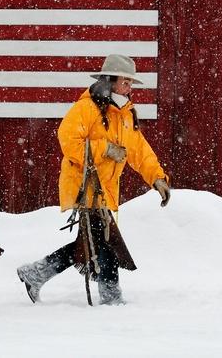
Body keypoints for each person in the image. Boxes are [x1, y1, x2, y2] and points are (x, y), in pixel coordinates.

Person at [17, 54, 170, 305]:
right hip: (84, 186)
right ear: (109, 81)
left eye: (131, 83)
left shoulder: (126, 114)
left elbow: (139, 150)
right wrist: (105, 149)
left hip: (105, 190)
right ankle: (111, 299)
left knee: (88, 245)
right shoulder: (86, 108)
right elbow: (68, 140)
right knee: (106, 243)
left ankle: (35, 273)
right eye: (125, 82)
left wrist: (157, 178)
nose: (129, 88)